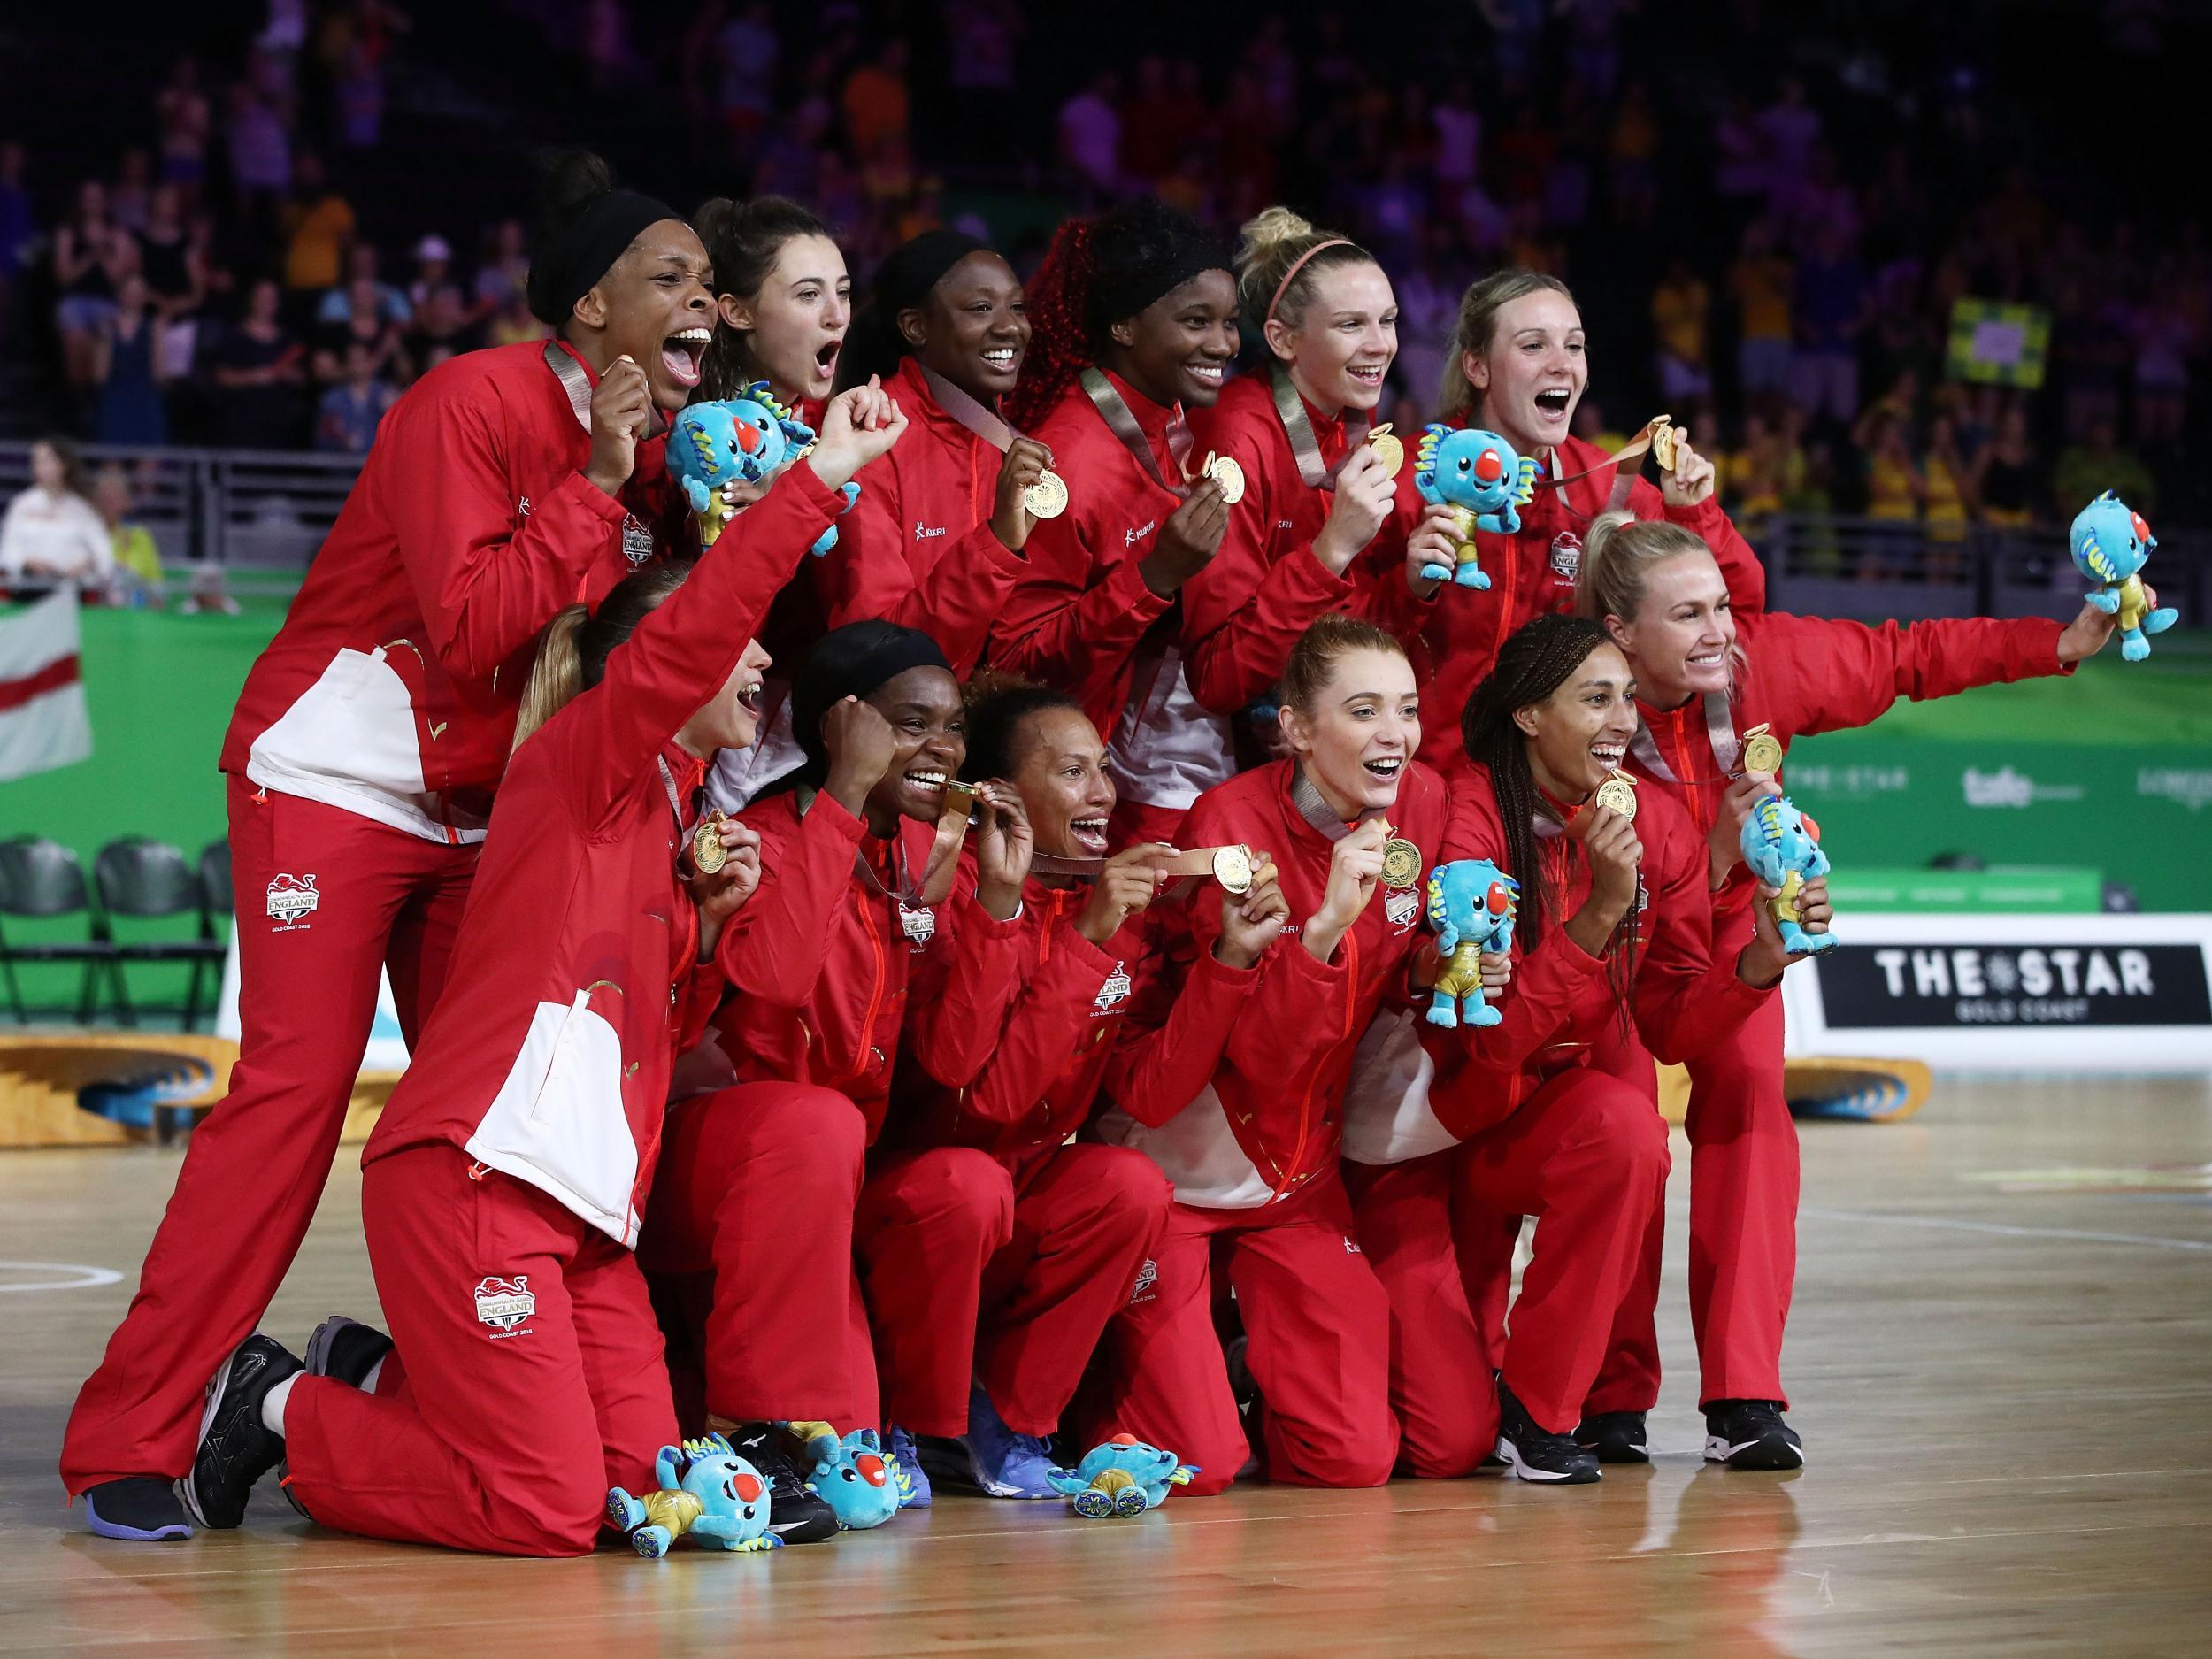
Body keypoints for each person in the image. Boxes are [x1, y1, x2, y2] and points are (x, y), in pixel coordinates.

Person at [60, 151, 718, 1543]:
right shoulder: (466, 400)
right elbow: (480, 629)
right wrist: (600, 481)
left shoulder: (667, 453)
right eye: (673, 279)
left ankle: (399, 1383)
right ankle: (135, 1427)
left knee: (530, 1102)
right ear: (591, 306)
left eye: (709, 282)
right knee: (295, 1092)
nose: (701, 302)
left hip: (486, 808)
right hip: (339, 772)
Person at [180, 389, 890, 1555]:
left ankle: (376, 1372)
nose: (761, 656)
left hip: (584, 1217)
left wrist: (706, 938)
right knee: (546, 1506)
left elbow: (701, 1012)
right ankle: (277, 1400)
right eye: (734, 643)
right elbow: (702, 624)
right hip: (478, 1179)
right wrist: (816, 478)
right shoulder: (586, 762)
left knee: (640, 1487)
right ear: (655, 663)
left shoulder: (672, 823)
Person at [1568, 511, 2132, 1471]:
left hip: (1741, 929)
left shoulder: (1765, 666)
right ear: (1621, 632)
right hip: (1623, 930)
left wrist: (2059, 641)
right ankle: (1607, 1392)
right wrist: (1705, 856)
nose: (1718, 632)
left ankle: (1745, 1395)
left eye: (1720, 607)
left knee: (1751, 1122)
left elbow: (1908, 654)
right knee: (1627, 1142)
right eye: (1688, 615)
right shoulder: (1581, 704)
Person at [1340, 612, 1818, 1486]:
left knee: (1628, 1132)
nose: (1622, 720)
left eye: (1627, 698)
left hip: (1513, 1124)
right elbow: (1483, 1049)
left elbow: (1670, 1022)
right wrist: (1600, 912)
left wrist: (1756, 960)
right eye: (1594, 699)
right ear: (1528, 716)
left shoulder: (1657, 824)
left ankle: (1540, 1412)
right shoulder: (1463, 814)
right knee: (1432, 1445)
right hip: (1416, 1136)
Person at [641, 622, 1033, 1526]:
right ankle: (760, 1434)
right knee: (813, 1121)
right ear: (842, 725)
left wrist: (1002, 908)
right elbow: (773, 985)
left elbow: (954, 1061)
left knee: (964, 1186)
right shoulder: (760, 839)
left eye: (952, 726)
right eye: (909, 722)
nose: (940, 747)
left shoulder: (928, 863)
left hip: (833, 1184)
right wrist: (850, 790)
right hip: (726, 1177)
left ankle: (928, 1431)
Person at [1089, 616, 1447, 1494]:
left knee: (1358, 1461)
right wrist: (1323, 931)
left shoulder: (1426, 805)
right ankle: (1105, 1384)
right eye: (1363, 711)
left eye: (1405, 709)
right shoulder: (1231, 825)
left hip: (1294, 1178)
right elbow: (1259, 1057)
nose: (1393, 735)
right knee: (1197, 1470)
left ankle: (1247, 1365)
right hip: (1181, 1164)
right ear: (1294, 728)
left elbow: (1402, 976)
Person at [872, 677, 1182, 1498]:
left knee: (1130, 1184)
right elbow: (984, 1100)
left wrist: (1234, 965)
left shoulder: (1108, 903)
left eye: (1105, 769)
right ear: (1006, 793)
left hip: (1017, 1198)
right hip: (907, 1208)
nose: (1104, 793)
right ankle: (912, 1423)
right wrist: (1076, 937)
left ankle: (1009, 1420)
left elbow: (1147, 1096)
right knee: (966, 1185)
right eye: (1075, 772)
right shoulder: (949, 884)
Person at [1400, 268, 1765, 766]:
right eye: (1533, 346)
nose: (1561, 365)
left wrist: (1692, 514)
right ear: (1478, 367)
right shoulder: (1409, 480)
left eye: (1574, 347)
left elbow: (1739, 604)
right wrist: (1409, 592)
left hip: (1553, 800)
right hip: (1420, 784)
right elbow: (1338, 638)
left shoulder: (1606, 490)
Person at [991, 200, 1242, 846]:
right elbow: (1016, 667)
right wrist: (1155, 578)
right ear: (1126, 327)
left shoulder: (1171, 421)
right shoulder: (1069, 461)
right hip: (1045, 793)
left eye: (1229, 322)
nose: (1222, 344)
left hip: (1107, 766)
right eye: (1196, 321)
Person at [1179, 209, 1414, 722]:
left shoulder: (1347, 411)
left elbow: (1341, 616)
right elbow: (1217, 677)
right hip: (1188, 747)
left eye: (1388, 320)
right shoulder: (1236, 439)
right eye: (1351, 324)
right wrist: (1329, 551)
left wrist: (1414, 586)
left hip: (1297, 713)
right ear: (1283, 340)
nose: (1380, 344)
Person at [696, 194, 849, 426]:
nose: (837, 317)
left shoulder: (837, 422)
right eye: (808, 294)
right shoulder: (688, 434)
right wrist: (822, 463)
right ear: (738, 312)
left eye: (843, 292)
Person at [0, 438, 113, 587]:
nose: (41, 467)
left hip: (73, 591)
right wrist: (25, 563)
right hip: (27, 590)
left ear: (63, 464)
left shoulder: (82, 509)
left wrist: (87, 566)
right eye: (37, 461)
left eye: (47, 460)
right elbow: (6, 552)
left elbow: (103, 555)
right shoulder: (21, 505)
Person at [93, 274, 171, 447]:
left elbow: (160, 376)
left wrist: (159, 339)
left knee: (149, 460)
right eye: (130, 292)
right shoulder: (107, 327)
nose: (134, 297)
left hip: (146, 399)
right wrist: (104, 341)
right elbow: (99, 377)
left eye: (139, 293)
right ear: (120, 294)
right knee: (112, 462)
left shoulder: (155, 328)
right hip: (115, 398)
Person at [92, 466, 165, 595]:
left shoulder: (140, 536)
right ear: (94, 502)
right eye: (103, 499)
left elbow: (158, 589)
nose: (107, 505)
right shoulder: (88, 536)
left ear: (126, 502)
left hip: (134, 611)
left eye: (114, 499)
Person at [315, 340, 397, 453]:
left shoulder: (386, 393)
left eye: (362, 361)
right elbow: (323, 438)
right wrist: (340, 438)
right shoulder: (333, 399)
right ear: (347, 365)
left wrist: (392, 412)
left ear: (370, 362)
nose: (358, 366)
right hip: (343, 463)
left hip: (377, 462)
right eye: (353, 362)